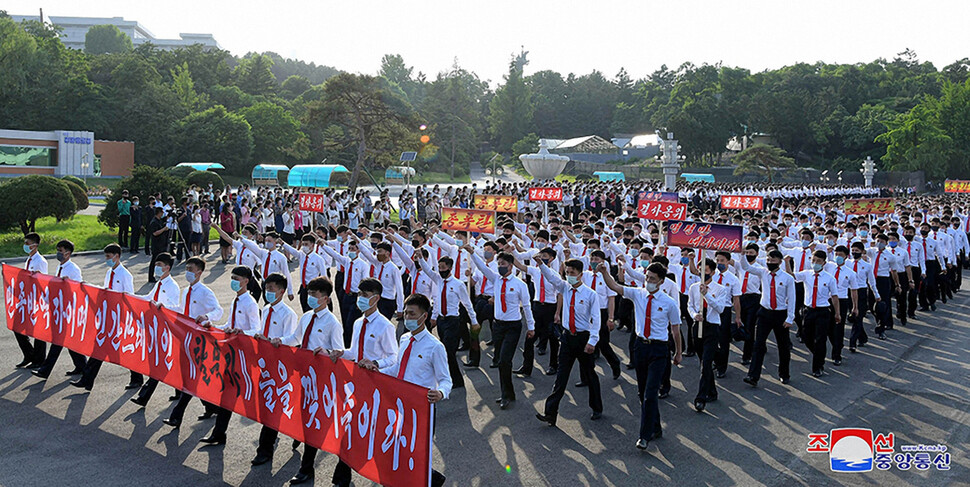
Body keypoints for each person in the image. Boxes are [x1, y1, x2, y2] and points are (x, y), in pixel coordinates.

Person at [357, 293, 449, 487]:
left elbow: (445, 380)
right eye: (406, 313)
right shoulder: (405, 338)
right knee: (396, 448)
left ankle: (431, 480)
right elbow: (398, 368)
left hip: (421, 409)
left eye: (412, 314)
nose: (407, 318)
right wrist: (377, 368)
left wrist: (440, 392)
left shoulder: (435, 347)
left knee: (415, 453)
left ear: (424, 316)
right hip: (398, 404)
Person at [329, 278, 398, 486]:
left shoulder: (385, 325)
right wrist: (341, 353)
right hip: (357, 385)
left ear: (376, 298)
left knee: (376, 435)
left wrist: (376, 362)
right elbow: (355, 351)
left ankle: (422, 475)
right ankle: (341, 478)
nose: (360, 299)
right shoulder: (359, 323)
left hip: (376, 387)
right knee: (349, 429)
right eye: (359, 295)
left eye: (365, 296)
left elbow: (394, 357)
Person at [283, 277, 345, 484]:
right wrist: (276, 342)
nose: (310, 298)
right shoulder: (306, 317)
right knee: (305, 418)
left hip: (322, 382)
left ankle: (306, 468)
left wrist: (327, 353)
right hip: (304, 378)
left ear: (326, 299)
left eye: (314, 295)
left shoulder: (332, 323)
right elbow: (295, 339)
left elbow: (339, 352)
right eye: (309, 293)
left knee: (316, 424)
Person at [196, 266, 263, 445]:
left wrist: (242, 332)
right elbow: (229, 323)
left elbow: (257, 329)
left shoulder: (249, 302)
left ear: (246, 281)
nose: (233, 281)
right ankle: (219, 433)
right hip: (232, 356)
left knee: (254, 397)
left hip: (244, 356)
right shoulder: (236, 301)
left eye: (236, 278)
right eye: (232, 277)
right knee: (228, 396)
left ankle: (272, 429)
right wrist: (212, 325)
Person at [534, 258, 603, 426]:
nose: (569, 275)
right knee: (561, 376)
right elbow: (552, 278)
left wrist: (592, 341)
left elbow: (595, 319)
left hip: (583, 338)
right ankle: (550, 413)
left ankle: (596, 407)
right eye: (567, 272)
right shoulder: (565, 288)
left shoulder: (590, 294)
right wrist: (542, 264)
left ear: (580, 274)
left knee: (590, 374)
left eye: (573, 273)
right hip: (567, 338)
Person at [467, 246, 535, 410]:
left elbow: (526, 306)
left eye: (503, 263)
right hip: (498, 326)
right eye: (499, 263)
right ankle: (508, 392)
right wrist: (471, 253)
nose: (500, 266)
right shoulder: (496, 279)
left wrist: (531, 327)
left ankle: (506, 395)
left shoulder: (520, 284)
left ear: (511, 265)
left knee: (505, 360)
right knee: (500, 361)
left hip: (513, 326)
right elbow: (483, 268)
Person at [160, 257, 225, 427]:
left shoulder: (205, 292)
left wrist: (207, 317)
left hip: (200, 341)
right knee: (193, 377)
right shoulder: (186, 291)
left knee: (190, 379)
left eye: (191, 269)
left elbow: (218, 310)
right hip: (185, 338)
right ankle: (212, 407)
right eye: (186, 268)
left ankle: (176, 416)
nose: (187, 272)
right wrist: (163, 308)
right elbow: (182, 310)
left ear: (199, 272)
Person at [71, 244, 141, 391]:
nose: (107, 260)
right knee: (99, 349)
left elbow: (129, 297)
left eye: (109, 257)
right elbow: (105, 291)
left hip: (119, 318)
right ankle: (87, 380)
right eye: (106, 257)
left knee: (122, 350)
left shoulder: (125, 275)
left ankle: (137, 377)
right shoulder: (110, 272)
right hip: (108, 316)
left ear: (117, 256)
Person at [249, 273, 301, 466]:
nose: (268, 292)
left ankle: (265, 449)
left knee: (273, 408)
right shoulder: (266, 309)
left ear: (281, 290)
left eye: (271, 289)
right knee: (273, 406)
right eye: (266, 288)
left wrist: (274, 343)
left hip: (281, 369)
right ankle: (297, 432)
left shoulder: (288, 314)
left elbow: (290, 343)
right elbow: (263, 332)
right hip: (265, 365)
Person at [130, 253, 181, 406]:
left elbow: (175, 309)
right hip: (156, 328)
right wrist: (130, 297)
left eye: (159, 265)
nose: (156, 268)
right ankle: (183, 394)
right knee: (169, 364)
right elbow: (149, 298)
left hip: (166, 330)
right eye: (156, 265)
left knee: (159, 364)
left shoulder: (172, 286)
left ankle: (143, 396)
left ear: (167, 267)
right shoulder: (159, 283)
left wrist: (163, 307)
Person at [739, 249, 796, 387]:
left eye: (773, 261)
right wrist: (742, 255)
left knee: (783, 346)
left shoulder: (787, 278)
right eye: (768, 260)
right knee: (758, 345)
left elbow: (792, 298)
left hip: (780, 314)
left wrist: (790, 318)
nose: (770, 263)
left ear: (780, 262)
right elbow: (746, 267)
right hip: (764, 313)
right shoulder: (763, 272)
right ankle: (753, 376)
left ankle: (784, 374)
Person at [420, 255, 478, 389]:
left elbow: (467, 304)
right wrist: (420, 258)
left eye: (443, 267)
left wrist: (474, 321)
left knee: (448, 351)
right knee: (444, 352)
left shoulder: (458, 284)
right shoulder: (438, 280)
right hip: (441, 321)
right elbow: (427, 270)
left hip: (453, 321)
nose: (441, 270)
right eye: (439, 267)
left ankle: (456, 380)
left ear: (450, 268)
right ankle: (449, 378)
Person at [32, 239, 87, 378]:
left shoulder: (73, 269)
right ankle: (82, 367)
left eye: (60, 251)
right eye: (57, 250)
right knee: (70, 342)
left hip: (69, 311)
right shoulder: (60, 267)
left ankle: (44, 371)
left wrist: (68, 284)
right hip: (59, 309)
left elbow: (79, 289)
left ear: (68, 253)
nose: (58, 253)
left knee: (57, 342)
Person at [686, 258, 729, 412]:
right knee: (702, 361)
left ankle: (700, 398)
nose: (702, 272)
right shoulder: (693, 287)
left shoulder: (720, 289)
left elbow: (720, 309)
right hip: (697, 326)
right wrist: (693, 315)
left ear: (712, 271)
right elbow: (690, 305)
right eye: (700, 269)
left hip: (712, 327)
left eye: (705, 270)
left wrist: (707, 295)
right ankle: (712, 391)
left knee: (706, 363)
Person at [793, 250, 841, 377]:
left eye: (818, 261)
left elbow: (835, 297)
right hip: (808, 310)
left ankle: (818, 366)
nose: (815, 264)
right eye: (813, 261)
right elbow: (791, 276)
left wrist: (837, 313)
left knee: (820, 339)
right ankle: (819, 355)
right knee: (806, 336)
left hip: (823, 310)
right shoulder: (806, 274)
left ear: (824, 263)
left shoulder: (829, 278)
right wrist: (787, 262)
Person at [17, 232, 48, 368]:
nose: (25, 246)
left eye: (27, 243)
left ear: (35, 245)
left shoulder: (40, 261)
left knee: (38, 331)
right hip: (27, 298)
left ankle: (39, 359)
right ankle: (29, 355)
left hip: (37, 300)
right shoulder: (29, 259)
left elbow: (42, 281)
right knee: (17, 327)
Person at [147, 207, 170, 283]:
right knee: (154, 261)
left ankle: (161, 274)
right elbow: (155, 233)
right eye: (162, 212)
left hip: (161, 244)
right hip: (156, 245)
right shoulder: (154, 222)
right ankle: (150, 277)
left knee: (161, 261)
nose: (162, 214)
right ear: (159, 212)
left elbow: (165, 220)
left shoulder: (159, 221)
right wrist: (163, 229)